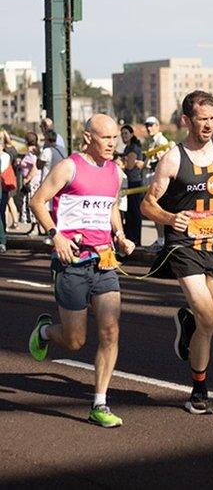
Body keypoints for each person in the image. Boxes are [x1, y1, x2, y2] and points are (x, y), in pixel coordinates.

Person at [141, 91, 213, 415]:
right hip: (184, 248)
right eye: (202, 119)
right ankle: (199, 390)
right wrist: (172, 218)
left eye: (212, 118)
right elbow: (148, 204)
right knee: (208, 318)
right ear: (187, 120)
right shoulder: (173, 158)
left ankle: (187, 322)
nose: (208, 125)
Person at [27, 114, 136, 427]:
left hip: (104, 262)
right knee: (75, 340)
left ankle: (99, 403)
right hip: (71, 263)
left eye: (115, 138)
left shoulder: (115, 171)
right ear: (88, 138)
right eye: (106, 138)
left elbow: (112, 205)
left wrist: (120, 235)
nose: (113, 144)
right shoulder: (69, 167)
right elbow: (38, 201)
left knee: (111, 330)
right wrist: (55, 235)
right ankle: (45, 331)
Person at [143, 116, 171, 253]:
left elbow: (164, 162)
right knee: (154, 211)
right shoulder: (151, 142)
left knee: (157, 210)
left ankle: (163, 241)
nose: (149, 128)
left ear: (157, 126)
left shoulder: (161, 141)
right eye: (147, 125)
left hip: (157, 182)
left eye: (151, 125)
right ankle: (161, 239)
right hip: (151, 180)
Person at [120, 124, 146, 247]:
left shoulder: (133, 148)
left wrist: (118, 163)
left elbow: (129, 166)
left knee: (134, 212)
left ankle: (136, 240)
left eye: (126, 133)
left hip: (134, 183)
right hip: (129, 183)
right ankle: (131, 239)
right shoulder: (127, 148)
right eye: (122, 134)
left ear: (131, 134)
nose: (123, 136)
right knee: (129, 213)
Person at [18, 132, 41, 226]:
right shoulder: (36, 150)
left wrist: (27, 179)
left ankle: (35, 227)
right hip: (35, 180)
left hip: (32, 181)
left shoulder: (31, 152)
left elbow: (35, 167)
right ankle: (35, 227)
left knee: (31, 203)